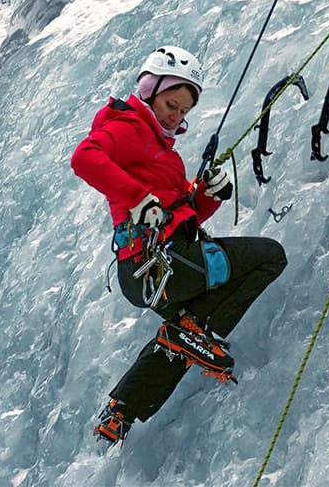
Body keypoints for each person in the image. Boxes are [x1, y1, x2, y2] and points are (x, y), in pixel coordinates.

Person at [71, 45, 287, 445]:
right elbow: (85, 157)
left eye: (184, 111)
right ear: (149, 90)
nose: (176, 115)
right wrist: (137, 198)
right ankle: (198, 331)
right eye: (172, 104)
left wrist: (207, 195)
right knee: (270, 256)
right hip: (163, 263)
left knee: (184, 335)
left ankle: (122, 410)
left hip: (150, 273)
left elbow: (177, 216)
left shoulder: (161, 152)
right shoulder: (129, 127)